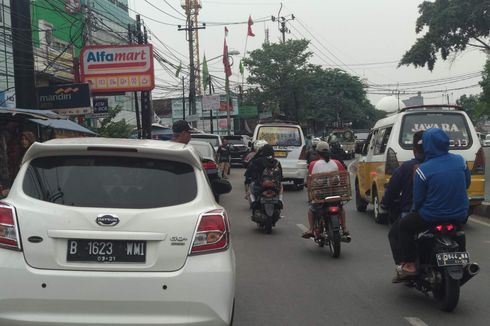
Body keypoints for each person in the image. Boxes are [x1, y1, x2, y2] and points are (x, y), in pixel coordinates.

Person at [395, 128, 470, 279]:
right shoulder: (461, 161)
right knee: (459, 230)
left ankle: (409, 264)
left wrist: (414, 211)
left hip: (431, 216)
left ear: (427, 145)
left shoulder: (423, 169)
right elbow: (466, 183)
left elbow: (418, 199)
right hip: (460, 214)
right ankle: (463, 261)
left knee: (403, 226)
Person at [383, 131, 424, 267]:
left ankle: (406, 264)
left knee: (395, 234)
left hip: (417, 212)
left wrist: (385, 203)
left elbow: (392, 191)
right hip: (451, 213)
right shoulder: (453, 163)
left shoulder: (409, 167)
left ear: (414, 150)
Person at [301, 141, 350, 240]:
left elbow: (310, 180)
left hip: (320, 195)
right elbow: (343, 177)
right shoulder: (337, 163)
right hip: (336, 194)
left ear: (317, 153)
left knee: (311, 210)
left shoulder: (313, 164)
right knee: (340, 208)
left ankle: (311, 229)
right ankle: (344, 228)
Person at [248, 144, 283, 212]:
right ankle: (280, 201)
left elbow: (251, 172)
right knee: (281, 185)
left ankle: (253, 202)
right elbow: (280, 175)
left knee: (251, 187)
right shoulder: (276, 162)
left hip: (260, 185)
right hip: (274, 185)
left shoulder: (257, 161)